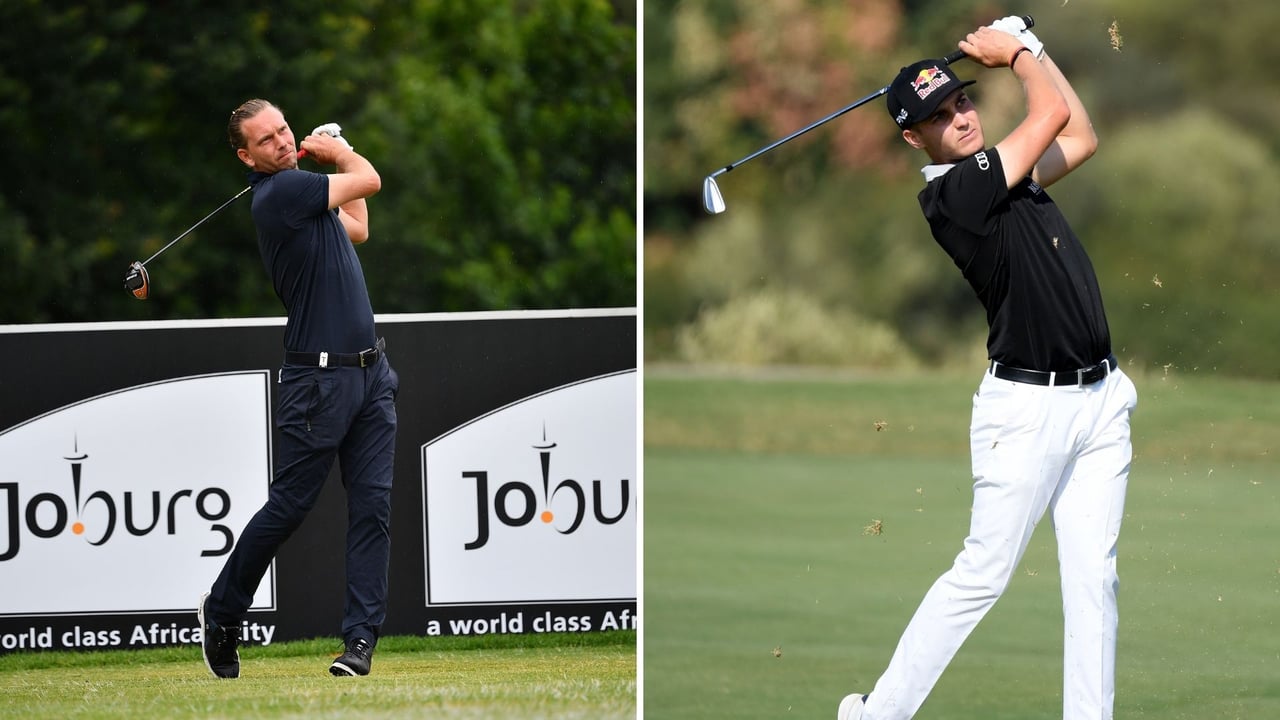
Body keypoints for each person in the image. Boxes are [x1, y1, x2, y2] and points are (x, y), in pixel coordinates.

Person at [837, 17, 1138, 720]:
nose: (960, 118)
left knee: (1095, 580)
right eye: (938, 116)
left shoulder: (1013, 175)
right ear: (915, 137)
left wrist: (1034, 51)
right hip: (1026, 414)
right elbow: (1052, 111)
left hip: (1099, 400)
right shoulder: (956, 196)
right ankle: (877, 713)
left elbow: (1082, 135)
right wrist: (1020, 51)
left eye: (962, 101)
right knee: (983, 574)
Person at [198, 99, 399, 679]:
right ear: (247, 156)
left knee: (372, 509)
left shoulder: (305, 197)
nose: (283, 142)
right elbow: (370, 180)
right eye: (267, 140)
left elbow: (357, 224)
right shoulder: (281, 195)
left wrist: (339, 165)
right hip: (318, 380)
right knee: (289, 506)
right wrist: (339, 153)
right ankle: (225, 607)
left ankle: (358, 643)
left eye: (284, 130)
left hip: (371, 375)